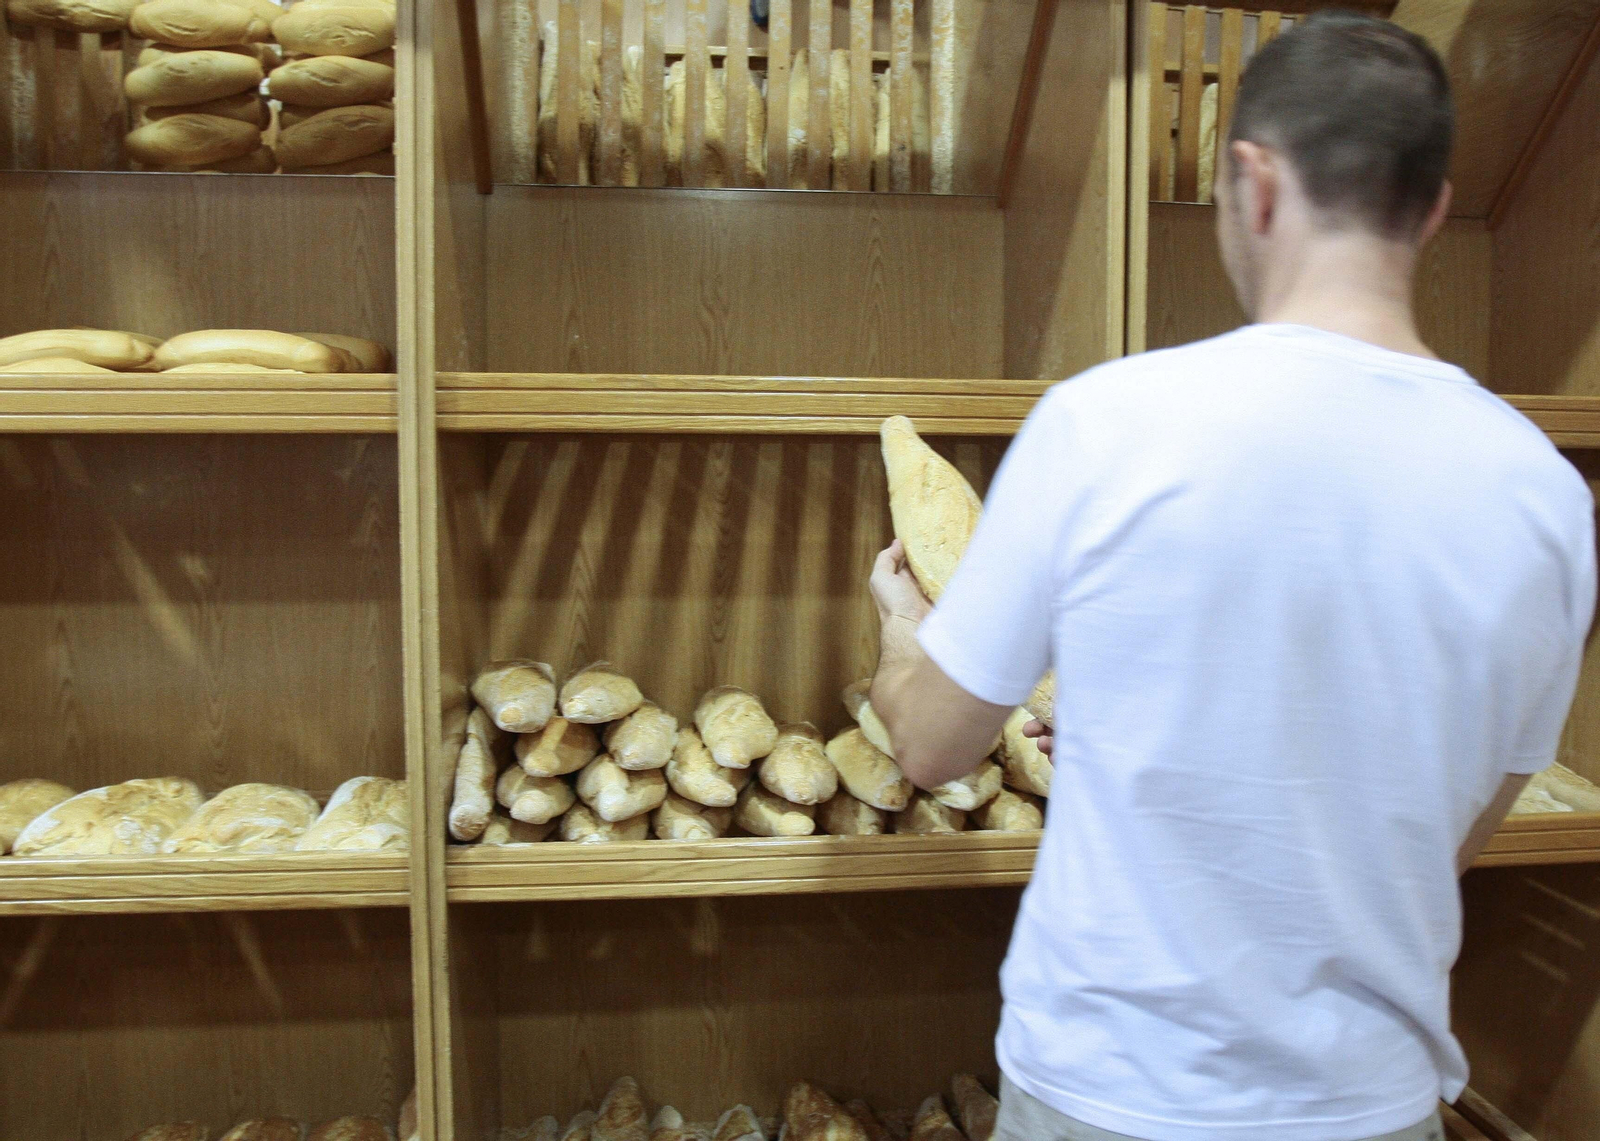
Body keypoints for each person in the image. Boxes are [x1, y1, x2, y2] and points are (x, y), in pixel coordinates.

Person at [868, 11, 1596, 1141]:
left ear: (1253, 184)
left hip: (1109, 1094)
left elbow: (930, 745)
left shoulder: (1105, 422)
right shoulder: (1545, 498)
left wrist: (906, 624)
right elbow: (1449, 825)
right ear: (1436, 210)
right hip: (1367, 1106)